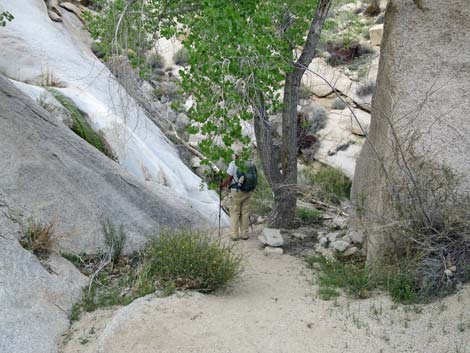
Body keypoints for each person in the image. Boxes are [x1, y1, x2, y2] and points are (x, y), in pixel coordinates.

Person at [220, 147, 252, 241]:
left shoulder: (234, 164)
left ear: (237, 155)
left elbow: (228, 178)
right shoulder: (249, 163)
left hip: (236, 191)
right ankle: (245, 234)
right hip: (247, 191)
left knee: (235, 213)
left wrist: (222, 185)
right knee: (245, 213)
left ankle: (234, 235)